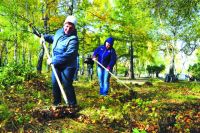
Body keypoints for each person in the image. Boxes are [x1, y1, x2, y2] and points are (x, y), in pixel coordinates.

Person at [40, 15, 79, 112]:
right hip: (57, 63)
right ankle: (57, 104)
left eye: (71, 27)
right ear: (64, 24)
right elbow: (54, 38)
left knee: (66, 84)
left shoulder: (74, 39)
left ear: (74, 28)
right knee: (55, 83)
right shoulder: (59, 32)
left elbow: (69, 54)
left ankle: (72, 105)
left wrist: (54, 60)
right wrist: (44, 37)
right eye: (66, 26)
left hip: (68, 65)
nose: (68, 29)